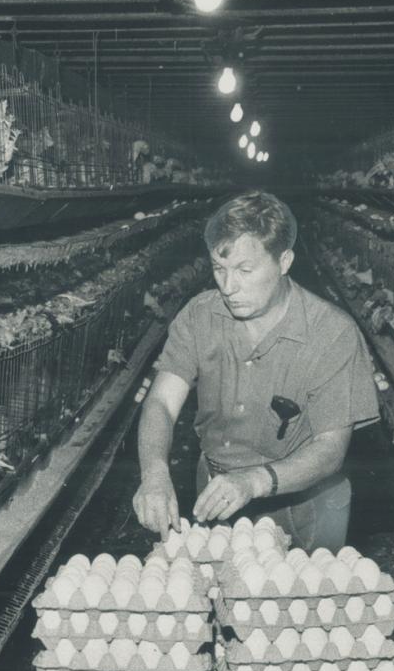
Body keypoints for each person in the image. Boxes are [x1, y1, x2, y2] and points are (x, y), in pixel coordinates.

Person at [132, 191, 379, 549]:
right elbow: (161, 404)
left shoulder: (333, 333)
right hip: (218, 492)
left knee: (305, 600)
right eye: (219, 269)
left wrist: (252, 482)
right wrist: (154, 472)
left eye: (245, 270)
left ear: (284, 261)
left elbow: (329, 449)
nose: (228, 287)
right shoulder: (199, 316)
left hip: (304, 504)